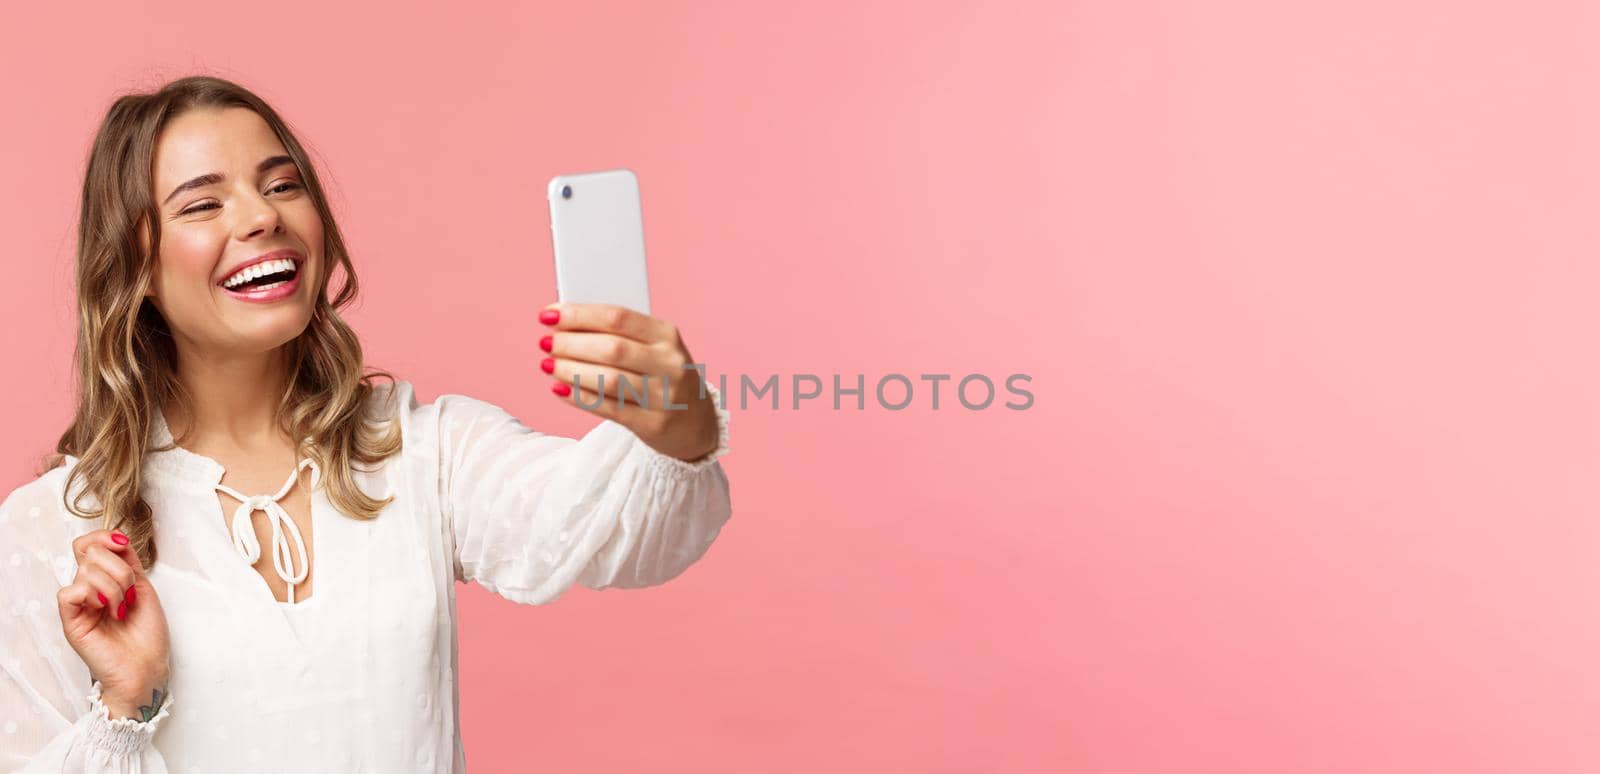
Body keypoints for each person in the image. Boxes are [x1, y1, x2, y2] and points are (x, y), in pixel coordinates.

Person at [0, 75, 732, 772]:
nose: (263, 217)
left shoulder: (423, 452)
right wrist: (128, 705)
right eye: (202, 205)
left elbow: (618, 532)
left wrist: (678, 421)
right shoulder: (53, 531)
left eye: (283, 185)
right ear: (132, 262)